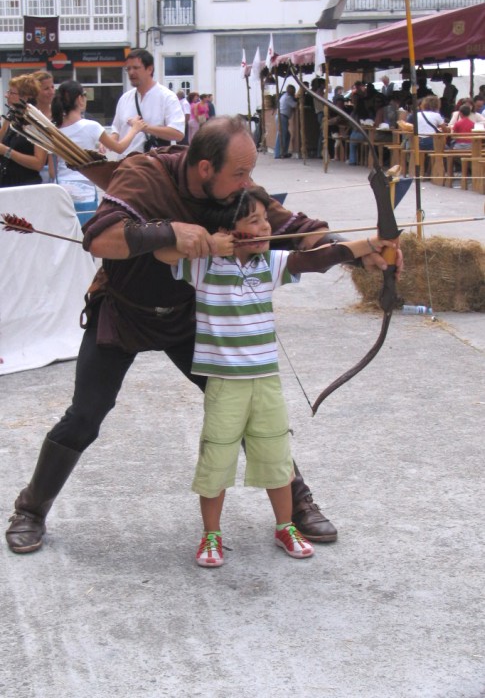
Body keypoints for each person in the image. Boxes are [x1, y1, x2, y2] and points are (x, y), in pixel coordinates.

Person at [5, 115, 401, 556]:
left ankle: (298, 503)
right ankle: (31, 509)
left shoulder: (236, 191)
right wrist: (174, 231)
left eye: (249, 172)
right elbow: (99, 239)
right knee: (85, 414)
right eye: (239, 172)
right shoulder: (145, 175)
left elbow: (300, 231)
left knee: (246, 405)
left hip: (191, 319)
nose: (248, 182)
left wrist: (361, 252)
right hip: (124, 312)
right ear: (205, 168)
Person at [156, 186, 396, 568]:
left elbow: (316, 259)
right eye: (254, 221)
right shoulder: (202, 266)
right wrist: (206, 244)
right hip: (224, 384)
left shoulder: (270, 263)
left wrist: (368, 243)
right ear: (228, 229)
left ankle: (285, 525)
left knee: (276, 456)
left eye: (266, 219)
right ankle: (212, 535)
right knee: (216, 457)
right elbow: (161, 251)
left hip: (265, 381)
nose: (266, 226)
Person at [51, 80, 145, 203]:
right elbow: (120, 147)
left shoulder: (54, 130)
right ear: (80, 99)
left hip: (60, 190)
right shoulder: (91, 126)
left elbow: (52, 171)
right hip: (85, 189)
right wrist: (134, 129)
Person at [110, 48, 184, 157]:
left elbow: (178, 134)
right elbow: (116, 129)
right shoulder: (125, 99)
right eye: (128, 68)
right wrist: (108, 142)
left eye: (136, 68)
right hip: (125, 165)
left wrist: (145, 128)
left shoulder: (167, 97)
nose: (131, 72)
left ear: (149, 69)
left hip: (152, 167)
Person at [0, 75, 47, 188]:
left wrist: (7, 151)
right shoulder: (10, 116)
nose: (7, 95)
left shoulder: (37, 123)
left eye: (11, 93)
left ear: (25, 97)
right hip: (6, 184)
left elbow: (38, 163)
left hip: (27, 186)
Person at [31, 71, 56, 182]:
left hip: (55, 171)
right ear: (36, 92)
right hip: (32, 172)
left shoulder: (58, 115)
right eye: (46, 89)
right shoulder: (28, 116)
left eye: (52, 87)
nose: (51, 92)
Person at [273, 84, 297, 159]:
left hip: (281, 116)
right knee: (281, 135)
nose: (294, 92)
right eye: (293, 91)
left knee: (287, 135)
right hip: (282, 117)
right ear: (291, 91)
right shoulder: (288, 97)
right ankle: (278, 154)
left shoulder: (284, 96)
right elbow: (295, 105)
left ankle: (284, 152)